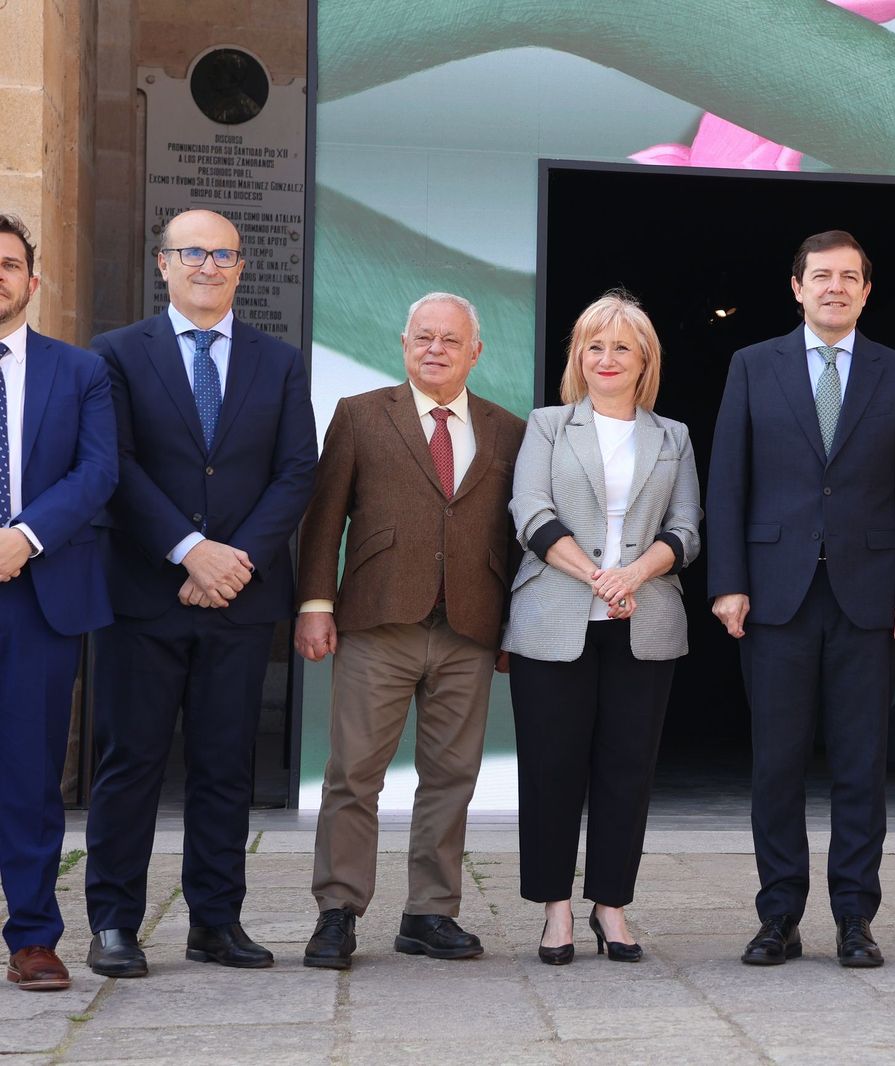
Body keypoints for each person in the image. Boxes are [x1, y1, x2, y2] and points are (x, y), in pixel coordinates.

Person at [85, 209, 317, 977]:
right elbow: (115, 464)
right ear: (164, 264)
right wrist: (190, 552)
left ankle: (216, 922)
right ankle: (114, 923)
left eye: (223, 254)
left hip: (240, 600)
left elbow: (297, 471)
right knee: (130, 763)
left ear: (241, 267)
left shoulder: (279, 363)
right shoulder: (117, 354)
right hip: (144, 595)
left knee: (225, 766)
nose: (208, 266)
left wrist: (233, 562)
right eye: (193, 252)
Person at [707, 230, 895, 968]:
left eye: (849, 277)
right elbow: (728, 481)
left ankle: (854, 917)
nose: (835, 287)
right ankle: (778, 916)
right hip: (776, 597)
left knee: (861, 766)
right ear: (797, 287)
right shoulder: (752, 365)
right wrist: (728, 582)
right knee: (776, 764)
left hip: (870, 600)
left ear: (866, 291)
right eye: (821, 276)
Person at [294, 292, 524, 969]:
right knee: (353, 774)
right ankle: (337, 910)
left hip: (469, 628)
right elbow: (324, 517)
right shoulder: (361, 415)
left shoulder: (509, 430)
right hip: (377, 621)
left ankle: (430, 912)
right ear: (403, 344)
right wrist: (315, 603)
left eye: (450, 340)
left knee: (452, 777)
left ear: (475, 352)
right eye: (423, 336)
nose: (435, 349)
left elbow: (517, 537)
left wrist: (513, 628)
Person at [503, 291, 701, 965]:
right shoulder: (549, 425)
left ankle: (610, 905)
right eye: (594, 345)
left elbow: (686, 528)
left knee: (627, 769)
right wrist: (599, 577)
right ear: (578, 357)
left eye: (622, 347)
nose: (606, 358)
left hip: (644, 623)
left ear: (645, 360)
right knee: (551, 768)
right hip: (554, 619)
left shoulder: (672, 436)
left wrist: (634, 575)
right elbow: (529, 511)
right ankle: (555, 909)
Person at [0, 215, 117, 992]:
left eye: (9, 264)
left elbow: (98, 471)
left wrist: (25, 537)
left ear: (33, 282)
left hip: (37, 596)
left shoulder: (79, 372)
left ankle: (34, 936)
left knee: (29, 771)